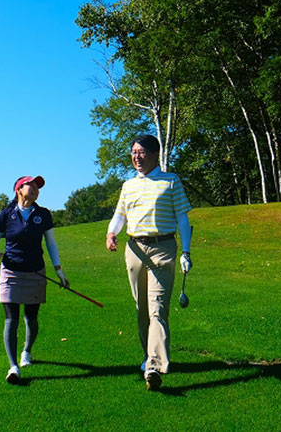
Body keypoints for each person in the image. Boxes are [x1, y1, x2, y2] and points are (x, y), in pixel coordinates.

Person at [105, 135, 192, 391]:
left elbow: (183, 219)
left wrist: (186, 252)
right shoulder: (128, 185)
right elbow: (119, 216)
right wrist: (111, 233)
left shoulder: (171, 181)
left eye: (142, 152)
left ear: (155, 154)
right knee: (141, 309)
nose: (137, 156)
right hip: (134, 249)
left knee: (157, 309)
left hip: (163, 248)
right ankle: (147, 356)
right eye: (133, 152)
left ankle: (154, 365)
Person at [0, 175, 69, 384]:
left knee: (31, 317)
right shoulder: (6, 214)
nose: (35, 189)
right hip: (10, 272)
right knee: (11, 319)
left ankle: (27, 351)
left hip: (35, 272)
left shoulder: (43, 214)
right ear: (18, 190)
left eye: (37, 187)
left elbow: (51, 244)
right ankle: (13, 366)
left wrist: (58, 270)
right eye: (30, 185)